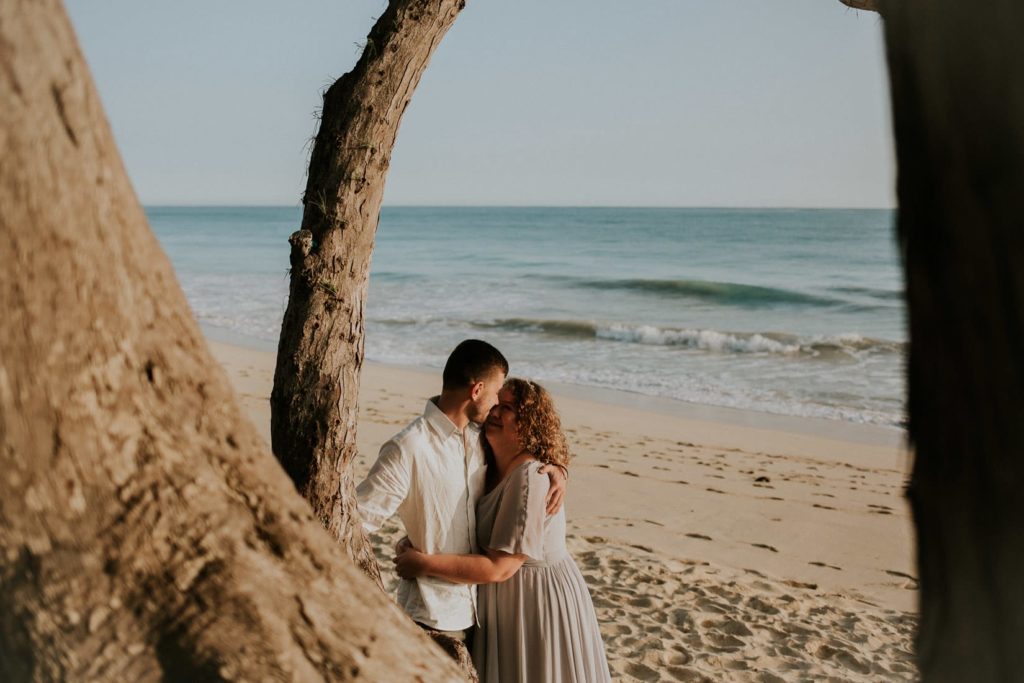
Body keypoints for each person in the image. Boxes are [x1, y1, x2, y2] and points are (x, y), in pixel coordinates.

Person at [394, 378, 611, 683]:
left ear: (528, 423)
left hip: (534, 596)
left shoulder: (530, 477)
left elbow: (500, 567)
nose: (495, 412)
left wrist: (424, 564)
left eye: (507, 408)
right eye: (496, 403)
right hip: (501, 595)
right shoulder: (487, 460)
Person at [356, 340, 566, 644]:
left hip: (477, 612)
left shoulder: (482, 438)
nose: (496, 404)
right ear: (477, 390)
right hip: (431, 614)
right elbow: (357, 519)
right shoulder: (408, 448)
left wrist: (559, 471)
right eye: (496, 393)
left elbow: (526, 457)